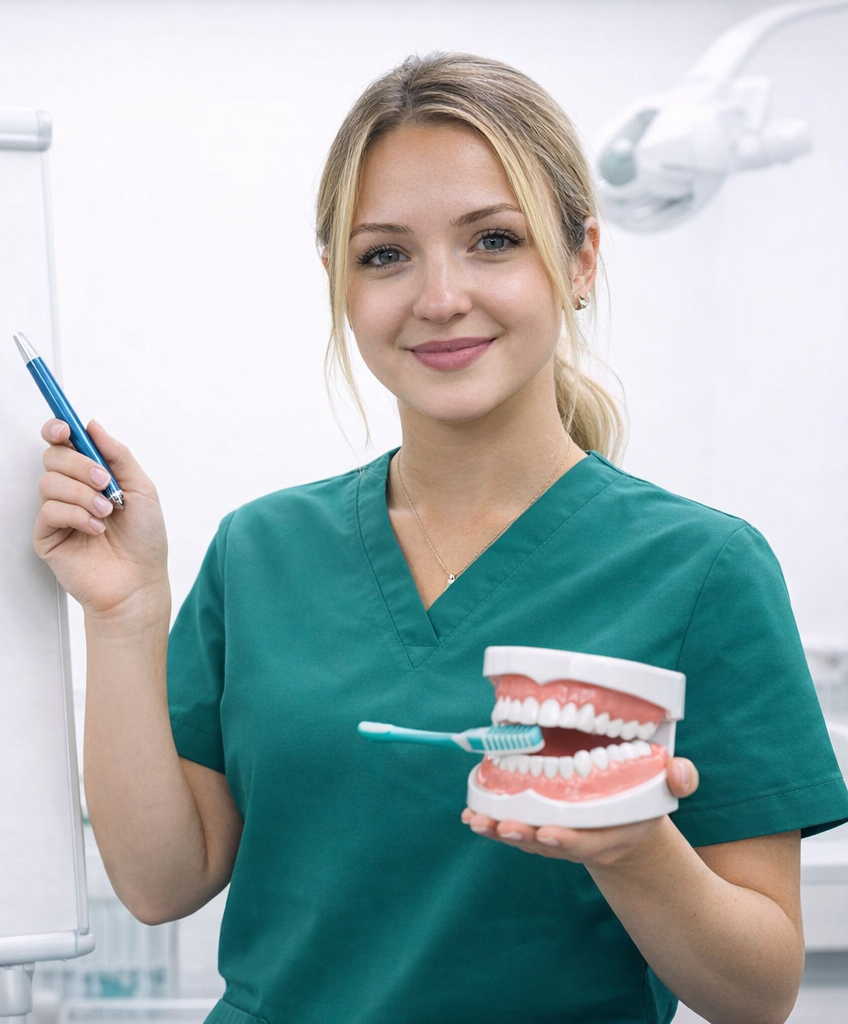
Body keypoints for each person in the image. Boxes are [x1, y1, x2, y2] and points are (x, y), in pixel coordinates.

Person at [34, 52, 848, 1024]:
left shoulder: (701, 569)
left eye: (491, 241)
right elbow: (161, 884)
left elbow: (755, 994)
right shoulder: (261, 552)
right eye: (384, 254)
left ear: (580, 259)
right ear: (338, 280)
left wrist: (633, 847)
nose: (438, 296)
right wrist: (126, 612)